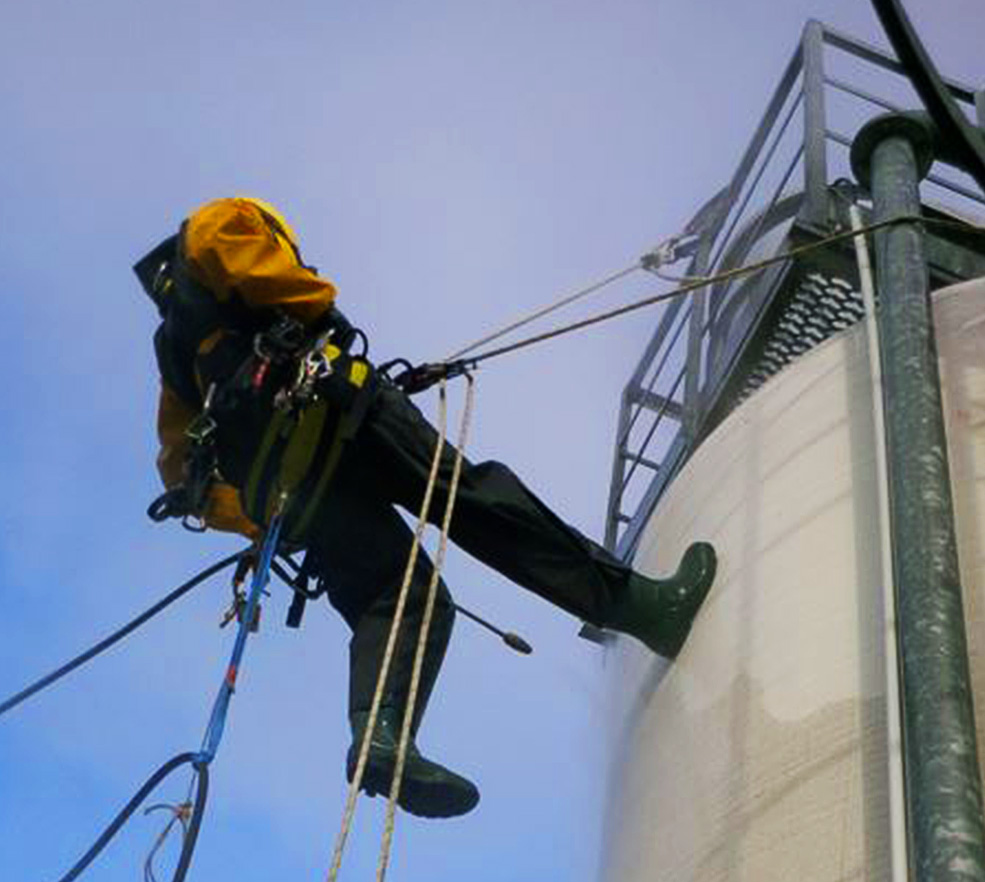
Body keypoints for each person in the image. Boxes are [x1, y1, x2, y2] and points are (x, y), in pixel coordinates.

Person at [136, 197, 717, 819]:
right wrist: (319, 302)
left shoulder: (174, 349)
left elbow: (179, 470)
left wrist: (258, 519)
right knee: (475, 501)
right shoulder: (217, 221)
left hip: (293, 490)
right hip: (338, 407)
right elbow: (263, 269)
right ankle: (645, 610)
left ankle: (381, 737)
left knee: (399, 593)